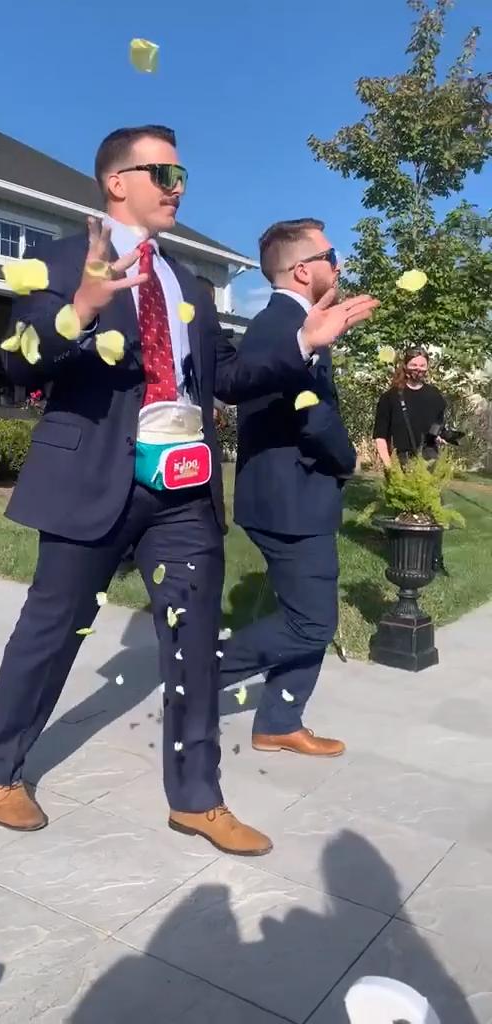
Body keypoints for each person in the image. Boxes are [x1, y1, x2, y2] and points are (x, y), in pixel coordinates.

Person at [0, 127, 356, 857]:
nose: (179, 186)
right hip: (93, 477)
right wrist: (79, 310)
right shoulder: (61, 256)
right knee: (51, 630)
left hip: (181, 490)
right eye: (164, 172)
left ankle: (198, 797)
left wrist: (302, 343)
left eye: (183, 173)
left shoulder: (192, 284)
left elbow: (232, 379)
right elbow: (17, 365)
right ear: (117, 181)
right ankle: (0, 768)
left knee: (193, 639)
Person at [219, 219, 379, 757]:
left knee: (310, 616)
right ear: (302, 268)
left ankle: (280, 720)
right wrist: (348, 458)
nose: (341, 261)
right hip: (290, 501)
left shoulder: (296, 322)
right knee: (312, 623)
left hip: (295, 496)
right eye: (331, 253)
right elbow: (312, 418)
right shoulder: (279, 327)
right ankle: (198, 673)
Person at [373, 346, 449, 573]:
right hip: (404, 459)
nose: (418, 369)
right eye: (414, 364)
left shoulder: (435, 396)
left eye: (422, 365)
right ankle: (405, 561)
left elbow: (438, 426)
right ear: (405, 365)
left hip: (430, 457)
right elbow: (380, 436)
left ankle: (435, 560)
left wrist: (441, 436)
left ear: (427, 367)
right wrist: (389, 467)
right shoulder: (389, 398)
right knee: (405, 512)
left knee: (435, 510)